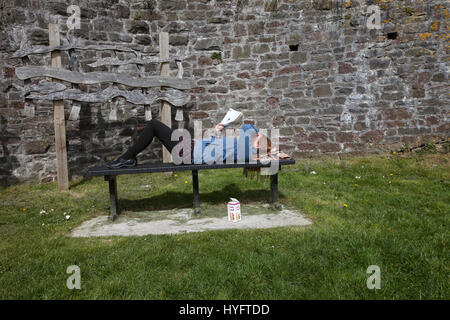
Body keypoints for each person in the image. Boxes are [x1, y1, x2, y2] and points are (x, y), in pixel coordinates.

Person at [106, 119, 270, 168]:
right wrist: (217, 130)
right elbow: (214, 146)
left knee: (154, 126)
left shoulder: (247, 152)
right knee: (154, 126)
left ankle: (127, 158)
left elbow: (248, 126)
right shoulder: (242, 148)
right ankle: (127, 158)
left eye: (257, 137)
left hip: (189, 153)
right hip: (191, 148)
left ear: (257, 145)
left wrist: (257, 132)